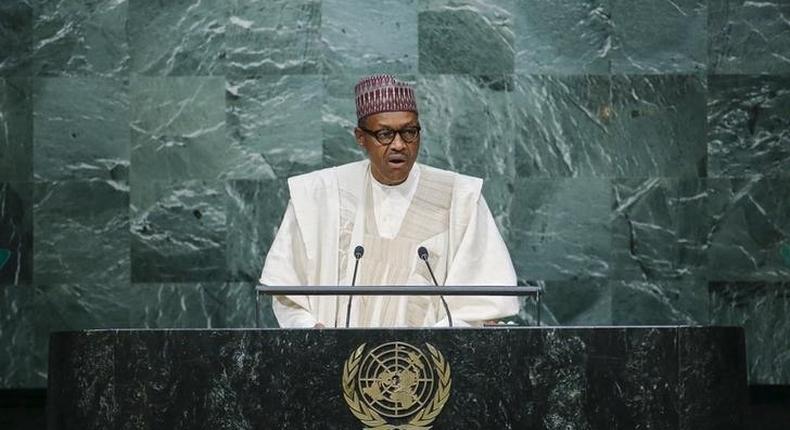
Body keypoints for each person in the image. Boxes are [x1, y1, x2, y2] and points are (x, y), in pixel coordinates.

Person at [259, 74, 519, 328]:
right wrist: (312, 332)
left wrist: (440, 341)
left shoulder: (461, 197)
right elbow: (286, 290)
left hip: (433, 365)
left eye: (409, 132)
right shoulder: (318, 195)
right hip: (335, 363)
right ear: (360, 137)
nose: (399, 145)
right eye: (385, 134)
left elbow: (484, 302)